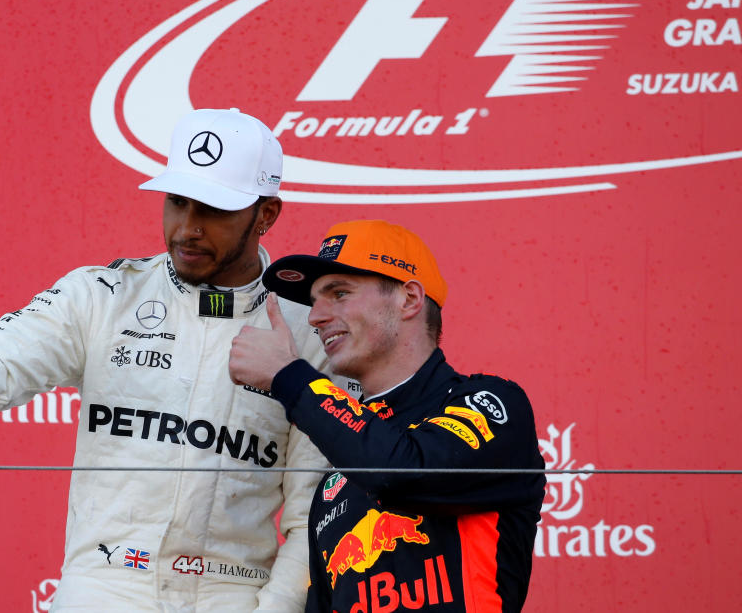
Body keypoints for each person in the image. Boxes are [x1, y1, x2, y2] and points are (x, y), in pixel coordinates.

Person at [0, 108, 347, 612]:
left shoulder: (308, 331)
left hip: (232, 593)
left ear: (266, 215)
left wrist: (274, 610)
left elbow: (314, 510)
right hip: (105, 586)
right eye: (177, 202)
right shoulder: (100, 296)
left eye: (213, 209)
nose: (188, 228)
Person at [229, 219, 546, 612]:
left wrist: (290, 378)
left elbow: (403, 471)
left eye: (339, 293)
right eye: (314, 302)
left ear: (409, 299)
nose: (315, 317)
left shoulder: (493, 403)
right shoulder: (338, 480)